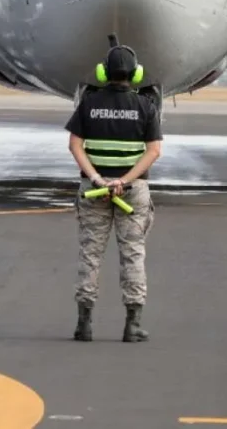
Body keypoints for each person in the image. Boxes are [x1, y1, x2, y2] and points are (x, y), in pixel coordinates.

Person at [64, 43, 163, 343]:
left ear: (103, 72)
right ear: (136, 74)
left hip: (94, 191)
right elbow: (154, 151)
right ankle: (133, 325)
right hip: (131, 191)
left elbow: (74, 145)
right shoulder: (146, 106)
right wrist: (124, 180)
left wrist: (97, 179)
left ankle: (84, 324)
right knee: (133, 254)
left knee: (90, 254)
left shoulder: (89, 103)